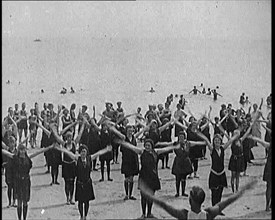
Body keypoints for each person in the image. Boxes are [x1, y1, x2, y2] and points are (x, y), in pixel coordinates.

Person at [116, 137, 180, 219]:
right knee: (143, 196)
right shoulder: (142, 152)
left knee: (151, 196)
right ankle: (143, 214)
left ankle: (149, 213)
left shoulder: (156, 152)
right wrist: (123, 143)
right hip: (144, 176)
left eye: (148, 145)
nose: (147, 147)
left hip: (153, 177)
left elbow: (165, 149)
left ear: (152, 146)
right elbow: (132, 147)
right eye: (146, 145)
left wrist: (174, 147)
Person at [138, 177, 257, 219]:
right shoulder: (209, 214)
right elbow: (228, 201)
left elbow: (164, 205)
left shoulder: (184, 215)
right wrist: (243, 189)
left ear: (190, 200)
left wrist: (148, 193)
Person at [54, 141, 112, 220]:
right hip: (79, 183)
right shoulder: (77, 159)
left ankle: (85, 216)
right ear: (80, 153)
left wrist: (106, 149)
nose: (83, 153)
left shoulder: (89, 158)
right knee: (80, 202)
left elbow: (98, 153)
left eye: (84, 152)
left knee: (87, 201)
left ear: (86, 152)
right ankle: (81, 216)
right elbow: (67, 152)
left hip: (87, 183)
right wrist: (59, 148)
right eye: (82, 152)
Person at [2, 143, 54, 220]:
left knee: (25, 201)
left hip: (26, 182)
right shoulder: (15, 157)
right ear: (18, 150)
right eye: (20, 150)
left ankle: (24, 218)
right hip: (18, 181)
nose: (22, 151)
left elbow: (38, 152)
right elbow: (6, 152)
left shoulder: (28, 157)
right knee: (19, 201)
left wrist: (49, 147)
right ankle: (19, 218)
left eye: (23, 150)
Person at [50, 119, 86, 205]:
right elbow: (57, 137)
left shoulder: (74, 143)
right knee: (67, 183)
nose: (69, 138)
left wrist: (83, 125)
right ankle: (67, 198)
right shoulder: (64, 143)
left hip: (73, 165)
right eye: (68, 137)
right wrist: (53, 129)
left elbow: (80, 135)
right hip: (65, 165)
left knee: (72, 182)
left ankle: (71, 198)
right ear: (66, 138)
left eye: (70, 137)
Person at [109, 124, 140, 200]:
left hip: (133, 160)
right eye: (128, 131)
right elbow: (121, 150)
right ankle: (126, 194)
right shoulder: (124, 139)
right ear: (126, 131)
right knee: (126, 178)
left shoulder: (134, 138)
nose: (130, 132)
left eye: (131, 131)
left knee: (132, 178)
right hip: (126, 160)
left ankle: (131, 194)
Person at [172, 131, 206, 197]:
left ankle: (183, 192)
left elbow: (196, 144)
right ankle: (177, 192)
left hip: (185, 162)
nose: (181, 138)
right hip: (178, 162)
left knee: (184, 178)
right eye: (180, 137)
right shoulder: (175, 144)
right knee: (178, 178)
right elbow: (179, 153)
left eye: (182, 137)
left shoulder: (187, 143)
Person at [248, 133, 272, 211]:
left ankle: (267, 206)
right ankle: (268, 205)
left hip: (269, 167)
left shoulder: (270, 145)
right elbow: (263, 142)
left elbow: (262, 142)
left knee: (269, 186)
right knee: (269, 187)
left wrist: (254, 138)